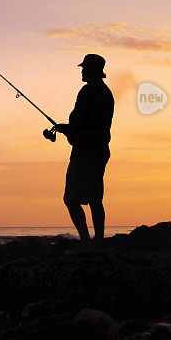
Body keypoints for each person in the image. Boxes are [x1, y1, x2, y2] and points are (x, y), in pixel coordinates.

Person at [54, 53, 114, 249]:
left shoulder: (87, 92)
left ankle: (86, 241)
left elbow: (78, 123)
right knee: (95, 198)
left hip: (84, 153)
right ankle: (98, 240)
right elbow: (94, 124)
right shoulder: (107, 93)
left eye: (84, 68)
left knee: (71, 199)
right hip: (100, 151)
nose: (81, 71)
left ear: (91, 70)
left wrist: (64, 129)